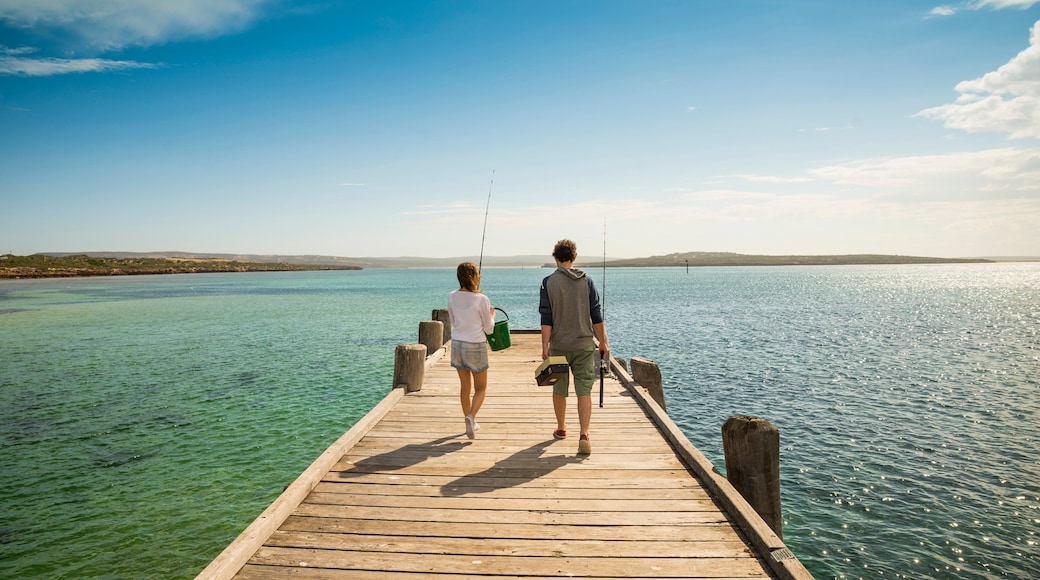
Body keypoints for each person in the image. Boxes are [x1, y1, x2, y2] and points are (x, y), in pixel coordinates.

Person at [539, 239, 609, 455]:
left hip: (559, 345)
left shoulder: (548, 282)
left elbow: (546, 317)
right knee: (584, 390)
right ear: (574, 258)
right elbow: (595, 314)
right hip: (585, 344)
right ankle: (584, 434)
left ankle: (561, 428)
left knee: (559, 389)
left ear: (555, 258)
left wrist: (545, 346)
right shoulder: (587, 281)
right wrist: (603, 342)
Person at [448, 262, 495, 439]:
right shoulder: (482, 299)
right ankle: (471, 416)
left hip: (458, 344)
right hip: (475, 345)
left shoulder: (451, 296)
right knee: (481, 388)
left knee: (465, 388)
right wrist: (491, 316)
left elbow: (453, 322)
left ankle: (470, 422)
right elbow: (489, 329)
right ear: (474, 277)